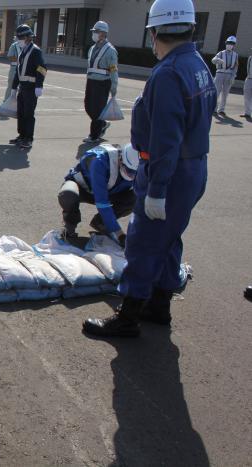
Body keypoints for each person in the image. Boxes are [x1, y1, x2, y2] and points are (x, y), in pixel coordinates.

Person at [83, 0, 216, 337]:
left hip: (167, 173)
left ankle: (128, 316)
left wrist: (156, 190)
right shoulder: (196, 64)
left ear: (155, 32)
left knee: (143, 243)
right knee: (169, 239)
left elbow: (166, 139)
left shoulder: (169, 73)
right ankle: (160, 306)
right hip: (192, 168)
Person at [59, 143, 139, 247]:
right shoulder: (99, 161)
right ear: (120, 159)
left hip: (110, 191)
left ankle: (101, 223)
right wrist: (119, 234)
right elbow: (102, 203)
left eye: (135, 173)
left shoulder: (141, 166)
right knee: (68, 194)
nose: (131, 176)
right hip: (83, 188)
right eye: (128, 171)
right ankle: (69, 229)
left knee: (136, 198)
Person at [9, 24, 47, 149]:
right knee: (21, 112)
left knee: (28, 114)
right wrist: (14, 88)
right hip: (23, 87)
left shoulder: (35, 51)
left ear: (27, 37)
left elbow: (42, 68)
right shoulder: (23, 51)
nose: (18, 40)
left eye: (20, 37)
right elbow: (18, 71)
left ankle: (28, 138)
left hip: (31, 88)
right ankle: (22, 135)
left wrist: (39, 86)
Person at [83, 21, 119, 143]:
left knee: (97, 109)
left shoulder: (110, 50)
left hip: (103, 83)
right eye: (94, 32)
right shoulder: (92, 48)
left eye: (96, 32)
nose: (94, 34)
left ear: (103, 33)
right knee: (88, 106)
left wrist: (114, 86)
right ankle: (102, 123)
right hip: (91, 81)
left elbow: (113, 69)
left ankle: (94, 135)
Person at [212, 36, 238, 116]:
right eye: (228, 43)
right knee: (216, 92)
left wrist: (233, 77)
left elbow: (235, 67)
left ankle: (221, 109)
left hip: (229, 75)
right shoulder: (221, 53)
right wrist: (218, 60)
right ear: (226, 43)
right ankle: (214, 109)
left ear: (234, 45)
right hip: (220, 73)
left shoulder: (235, 55)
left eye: (231, 44)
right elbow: (213, 60)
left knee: (225, 93)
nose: (229, 45)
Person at [3, 36, 19, 101]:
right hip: (14, 68)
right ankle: (6, 102)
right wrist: (21, 60)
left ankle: (18, 104)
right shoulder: (14, 45)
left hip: (24, 70)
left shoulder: (28, 46)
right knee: (11, 86)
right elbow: (10, 57)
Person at [242, 47, 252, 120]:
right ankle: (247, 113)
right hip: (249, 79)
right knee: (246, 96)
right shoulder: (250, 58)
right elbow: (248, 67)